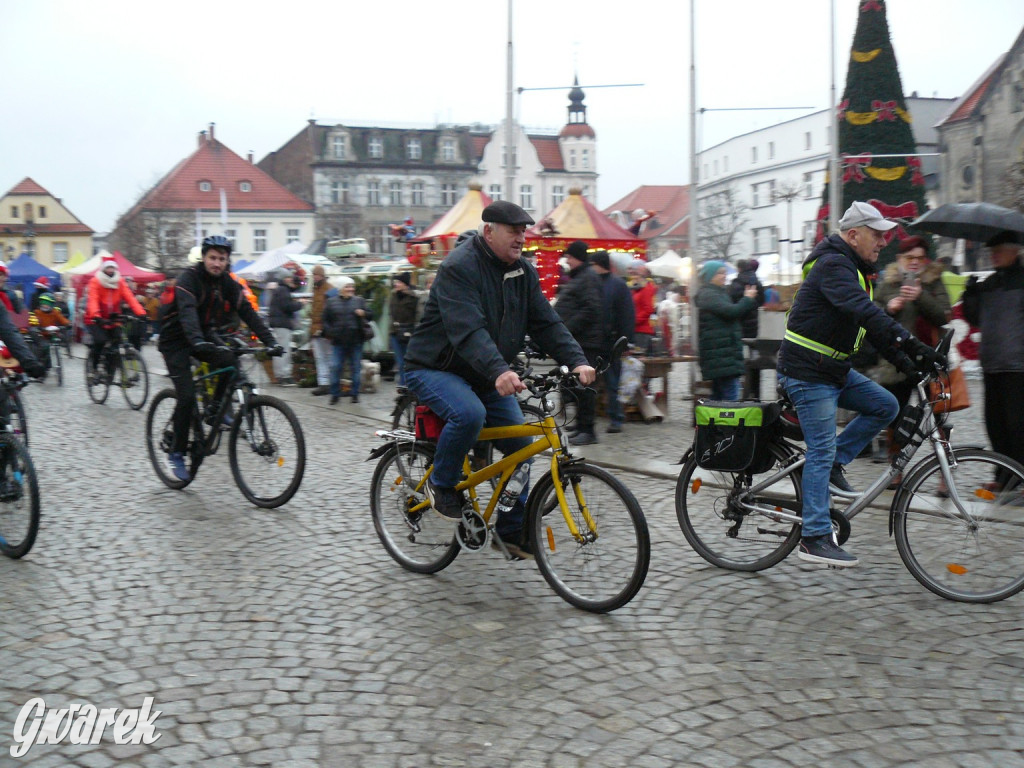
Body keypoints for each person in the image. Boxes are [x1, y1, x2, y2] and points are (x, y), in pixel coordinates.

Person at [403, 201, 594, 559]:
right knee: (469, 415)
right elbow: (468, 330)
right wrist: (500, 370)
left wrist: (577, 360)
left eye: (524, 230)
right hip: (434, 367)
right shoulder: (459, 267)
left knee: (522, 449)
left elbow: (546, 323)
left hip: (484, 373)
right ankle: (442, 485)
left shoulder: (523, 272)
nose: (521, 237)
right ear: (489, 231)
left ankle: (510, 532)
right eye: (513, 230)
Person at [777, 201, 944, 568]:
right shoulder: (834, 265)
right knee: (819, 449)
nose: (884, 241)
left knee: (886, 406)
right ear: (853, 235)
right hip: (807, 372)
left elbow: (870, 327)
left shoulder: (854, 269)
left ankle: (835, 462)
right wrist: (912, 344)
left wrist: (908, 362)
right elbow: (866, 312)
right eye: (877, 233)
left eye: (886, 235)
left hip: (832, 369)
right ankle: (814, 536)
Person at [158, 235, 281, 482]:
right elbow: (188, 313)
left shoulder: (226, 282)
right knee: (187, 396)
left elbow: (247, 310)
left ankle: (214, 409)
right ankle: (178, 453)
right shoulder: (188, 279)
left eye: (222, 259)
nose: (217, 263)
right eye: (212, 258)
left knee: (231, 361)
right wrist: (197, 341)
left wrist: (270, 340)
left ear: (227, 261)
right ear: (204, 258)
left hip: (202, 336)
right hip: (176, 341)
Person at [872, 235, 951, 487]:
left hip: (930, 360)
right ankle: (896, 468)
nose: (915, 262)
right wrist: (889, 309)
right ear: (900, 259)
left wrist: (920, 296)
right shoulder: (888, 283)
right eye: (910, 257)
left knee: (939, 416)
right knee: (895, 416)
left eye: (920, 257)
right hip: (896, 362)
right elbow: (872, 317)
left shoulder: (934, 281)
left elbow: (943, 315)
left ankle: (944, 471)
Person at [961, 231, 1024, 481]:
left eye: (998, 251)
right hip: (992, 363)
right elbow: (974, 318)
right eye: (991, 252)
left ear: (1014, 251)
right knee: (995, 425)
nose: (993, 256)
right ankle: (1003, 475)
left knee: (1017, 426)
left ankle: (1019, 477)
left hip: (1018, 365)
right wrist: (970, 295)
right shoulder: (989, 283)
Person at [555, 241, 604, 445]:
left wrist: (568, 327)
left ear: (578, 258)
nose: (567, 260)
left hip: (587, 341)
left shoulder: (587, 278)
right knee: (577, 385)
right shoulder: (581, 277)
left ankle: (588, 430)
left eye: (570, 257)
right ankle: (582, 425)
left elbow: (591, 309)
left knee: (585, 387)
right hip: (579, 340)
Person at [696, 260, 757, 400]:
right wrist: (747, 299)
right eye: (720, 273)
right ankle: (726, 421)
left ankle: (713, 421)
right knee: (731, 397)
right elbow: (731, 312)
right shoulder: (709, 295)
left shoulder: (718, 292)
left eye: (725, 272)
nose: (724, 276)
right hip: (721, 355)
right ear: (710, 276)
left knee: (719, 396)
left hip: (723, 354)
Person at [590, 250, 634, 433]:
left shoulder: (617, 285)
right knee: (592, 382)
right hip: (595, 341)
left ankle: (616, 418)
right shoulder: (594, 283)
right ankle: (593, 418)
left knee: (612, 382)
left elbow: (626, 315)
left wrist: (625, 341)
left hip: (612, 342)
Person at [84, 254, 146, 383]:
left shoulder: (120, 282)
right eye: (108, 268)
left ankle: (110, 372)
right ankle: (94, 369)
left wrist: (141, 313)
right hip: (96, 319)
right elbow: (93, 300)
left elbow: (130, 298)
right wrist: (96, 316)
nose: (111, 270)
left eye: (113, 268)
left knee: (117, 343)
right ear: (103, 269)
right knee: (100, 341)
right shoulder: (95, 281)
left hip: (113, 319)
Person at [321, 278, 371, 405]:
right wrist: (330, 332)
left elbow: (371, 315)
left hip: (356, 340)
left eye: (352, 287)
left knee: (356, 368)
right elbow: (325, 320)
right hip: (338, 342)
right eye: (347, 287)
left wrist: (363, 313)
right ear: (340, 289)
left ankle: (354, 394)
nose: (351, 289)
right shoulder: (331, 302)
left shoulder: (359, 301)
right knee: (335, 367)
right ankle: (335, 394)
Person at [267, 263, 305, 386]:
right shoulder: (283, 290)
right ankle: (285, 376)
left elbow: (295, 287)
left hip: (277, 323)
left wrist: (299, 282)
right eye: (289, 277)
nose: (291, 279)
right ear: (285, 278)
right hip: (282, 324)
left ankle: (279, 375)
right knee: (284, 350)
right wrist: (300, 304)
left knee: (279, 350)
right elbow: (287, 306)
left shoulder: (281, 289)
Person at [387, 271, 419, 386]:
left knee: (407, 360)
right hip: (395, 332)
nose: (396, 284)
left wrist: (413, 329)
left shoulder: (413, 297)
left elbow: (417, 315)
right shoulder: (394, 296)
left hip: (408, 332)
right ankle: (403, 383)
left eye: (399, 282)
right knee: (399, 360)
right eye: (395, 282)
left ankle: (409, 382)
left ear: (405, 284)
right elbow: (391, 313)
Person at [307, 265, 332, 396]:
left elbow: (331, 310)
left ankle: (331, 382)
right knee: (319, 357)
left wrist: (326, 328)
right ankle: (323, 383)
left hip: (324, 328)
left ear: (321, 275)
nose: (314, 277)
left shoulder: (329, 288)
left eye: (316, 275)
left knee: (328, 356)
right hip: (315, 328)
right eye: (313, 275)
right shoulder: (315, 289)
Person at [728, 258, 766, 340]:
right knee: (751, 344)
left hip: (739, 322)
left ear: (739, 268)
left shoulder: (735, 284)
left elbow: (730, 304)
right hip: (753, 322)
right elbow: (762, 300)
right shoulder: (757, 283)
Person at [627, 260, 658, 354]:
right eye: (632, 275)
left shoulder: (647, 288)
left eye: (635, 274)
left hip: (642, 331)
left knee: (639, 359)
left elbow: (648, 309)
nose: (633, 277)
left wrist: (634, 321)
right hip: (635, 329)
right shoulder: (635, 289)